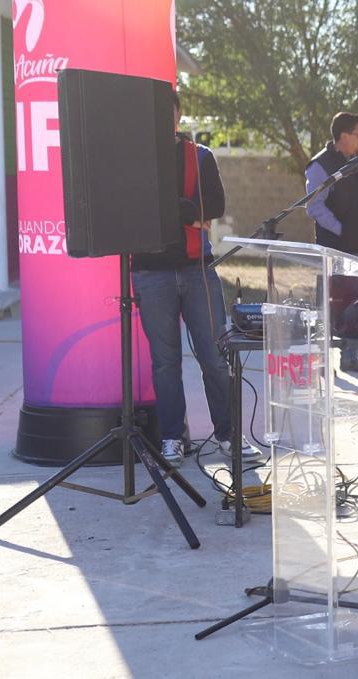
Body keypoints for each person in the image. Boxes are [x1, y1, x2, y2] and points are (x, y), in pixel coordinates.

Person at [131, 90, 232, 467]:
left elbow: (216, 207)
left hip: (196, 270)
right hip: (149, 272)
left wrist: (180, 210)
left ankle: (228, 435)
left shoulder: (200, 156)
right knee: (165, 362)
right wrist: (186, 211)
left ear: (177, 116)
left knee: (215, 357)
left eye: (166, 114)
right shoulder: (133, 159)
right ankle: (172, 437)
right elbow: (130, 210)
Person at [305, 112, 358, 373]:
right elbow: (314, 207)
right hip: (333, 249)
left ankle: (350, 356)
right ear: (344, 135)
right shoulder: (321, 166)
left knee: (356, 303)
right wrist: (342, 231)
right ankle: (321, 362)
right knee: (329, 304)